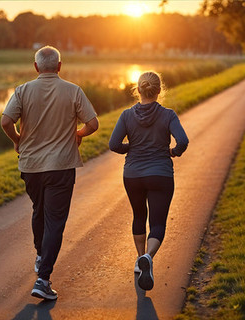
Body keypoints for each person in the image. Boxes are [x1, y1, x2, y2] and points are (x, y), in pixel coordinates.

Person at [1, 46, 99, 300]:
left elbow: (5, 121)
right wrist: (77, 134)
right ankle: (43, 280)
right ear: (59, 66)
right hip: (61, 166)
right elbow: (93, 124)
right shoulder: (73, 90)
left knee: (39, 209)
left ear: (36, 67)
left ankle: (40, 256)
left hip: (31, 166)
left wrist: (18, 140)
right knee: (54, 220)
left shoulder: (23, 90)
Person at [109, 71, 188, 291]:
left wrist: (131, 148)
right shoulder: (168, 115)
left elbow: (114, 144)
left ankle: (140, 259)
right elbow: (182, 140)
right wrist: (174, 152)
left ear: (139, 90)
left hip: (132, 174)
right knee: (158, 222)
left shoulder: (126, 115)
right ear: (159, 90)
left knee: (138, 215)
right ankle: (148, 257)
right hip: (161, 173)